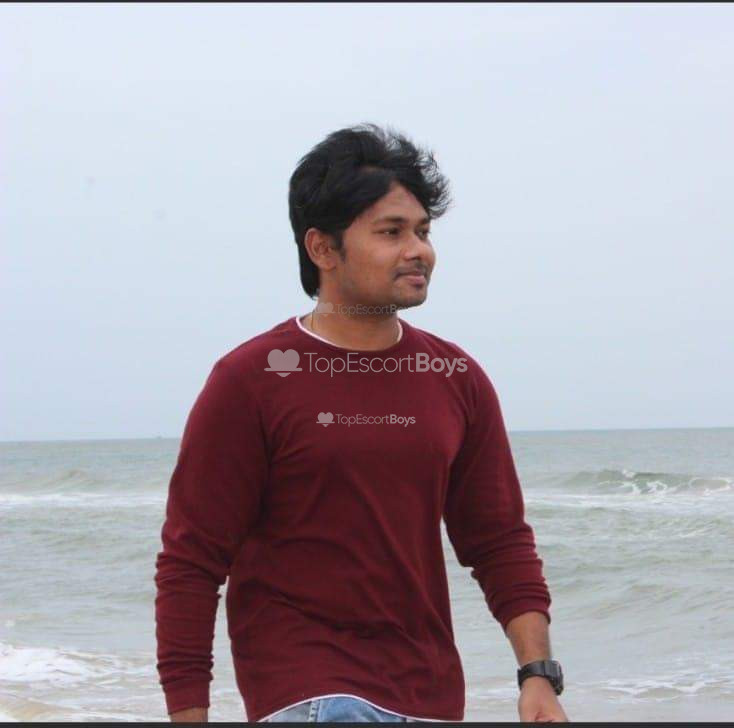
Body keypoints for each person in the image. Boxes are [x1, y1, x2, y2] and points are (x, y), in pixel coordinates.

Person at [154, 123, 569, 723]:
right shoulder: (252, 379)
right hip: (311, 697)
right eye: (391, 232)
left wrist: (538, 676)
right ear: (323, 249)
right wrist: (187, 712)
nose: (419, 250)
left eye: (423, 231)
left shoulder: (455, 376)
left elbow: (498, 540)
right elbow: (191, 562)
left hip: (430, 698)